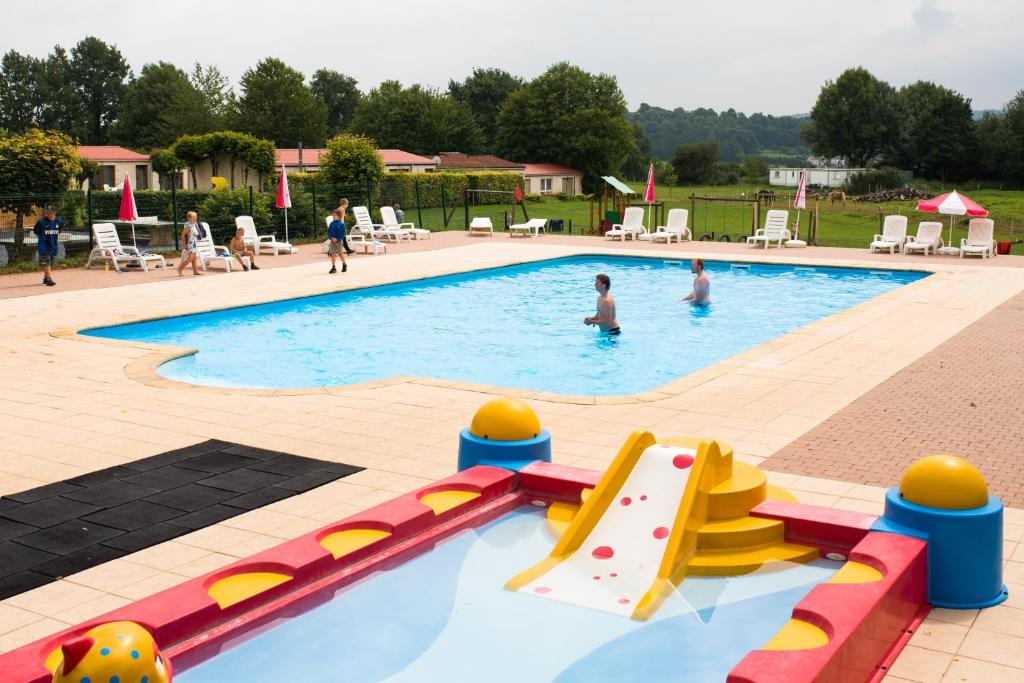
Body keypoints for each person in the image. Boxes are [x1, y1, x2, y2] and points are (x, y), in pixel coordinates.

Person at [32, 205, 62, 286]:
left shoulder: (59, 221)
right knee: (46, 261)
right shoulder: (41, 222)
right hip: (43, 245)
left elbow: (58, 231)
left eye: (51, 213)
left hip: (53, 245)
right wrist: (42, 238)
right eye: (47, 213)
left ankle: (45, 278)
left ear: (55, 212)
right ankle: (49, 279)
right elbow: (36, 231)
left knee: (51, 261)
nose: (49, 215)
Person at [176, 211, 202, 277]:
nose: (195, 219)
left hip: (193, 244)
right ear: (189, 219)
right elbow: (182, 235)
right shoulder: (188, 226)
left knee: (194, 258)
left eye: (195, 218)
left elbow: (194, 234)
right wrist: (184, 244)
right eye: (193, 218)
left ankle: (195, 271)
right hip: (190, 244)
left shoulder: (193, 224)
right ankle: (179, 268)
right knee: (190, 258)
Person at [327, 207, 348, 274]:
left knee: (340, 253)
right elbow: (329, 232)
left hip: (339, 241)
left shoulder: (341, 224)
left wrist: (337, 239)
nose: (333, 216)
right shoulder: (331, 224)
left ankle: (344, 264)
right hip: (332, 241)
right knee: (332, 254)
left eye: (334, 215)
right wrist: (331, 238)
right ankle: (333, 267)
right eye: (333, 215)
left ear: (338, 216)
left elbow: (342, 234)